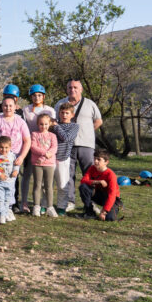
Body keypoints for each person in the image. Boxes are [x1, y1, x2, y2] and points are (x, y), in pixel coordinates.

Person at [53, 79, 103, 212]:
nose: (72, 90)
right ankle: (70, 201)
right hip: (66, 145)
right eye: (70, 87)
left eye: (75, 87)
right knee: (68, 174)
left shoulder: (90, 104)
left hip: (86, 144)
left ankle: (91, 201)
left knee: (89, 173)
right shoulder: (60, 104)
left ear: (81, 89)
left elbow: (98, 121)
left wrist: (88, 132)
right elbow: (55, 122)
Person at [0, 96, 31, 215]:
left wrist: (21, 156)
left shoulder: (20, 121)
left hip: (14, 157)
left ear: (15, 107)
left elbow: (27, 140)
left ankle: (8, 206)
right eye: (5, 105)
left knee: (11, 183)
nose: (8, 108)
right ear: (2, 107)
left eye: (10, 105)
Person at [20, 84, 56, 213]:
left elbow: (53, 127)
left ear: (44, 96)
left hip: (45, 145)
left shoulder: (50, 110)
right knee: (27, 174)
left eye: (39, 95)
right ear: (31, 97)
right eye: (34, 95)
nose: (37, 97)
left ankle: (44, 204)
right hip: (31, 144)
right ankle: (24, 202)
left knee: (45, 178)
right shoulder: (26, 110)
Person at [51, 103, 80, 215]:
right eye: (62, 113)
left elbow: (66, 138)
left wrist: (56, 126)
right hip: (50, 158)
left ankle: (61, 206)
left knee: (62, 184)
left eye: (67, 113)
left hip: (63, 159)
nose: (64, 115)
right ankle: (45, 205)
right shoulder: (53, 126)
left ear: (72, 115)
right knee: (46, 184)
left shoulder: (74, 126)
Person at [78, 149, 121, 221]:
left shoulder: (111, 175)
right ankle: (89, 212)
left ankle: (113, 208)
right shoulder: (92, 168)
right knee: (83, 187)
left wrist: (104, 211)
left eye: (98, 159)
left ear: (106, 162)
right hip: (99, 194)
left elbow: (112, 194)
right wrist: (98, 182)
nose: (95, 161)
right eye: (94, 159)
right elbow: (83, 181)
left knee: (110, 218)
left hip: (110, 197)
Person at [29, 113, 58, 217]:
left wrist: (44, 157)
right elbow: (33, 147)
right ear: (37, 124)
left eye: (46, 124)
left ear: (49, 124)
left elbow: (54, 148)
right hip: (37, 164)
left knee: (49, 186)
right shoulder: (34, 134)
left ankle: (50, 207)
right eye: (41, 124)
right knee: (37, 185)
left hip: (49, 164)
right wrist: (44, 154)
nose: (43, 126)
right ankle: (36, 206)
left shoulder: (53, 136)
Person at [0, 136, 18, 224]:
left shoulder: (12, 155)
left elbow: (16, 165)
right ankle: (1, 215)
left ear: (10, 147)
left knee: (7, 199)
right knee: (0, 199)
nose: (4, 150)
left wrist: (15, 171)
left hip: (10, 182)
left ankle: (5, 214)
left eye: (6, 147)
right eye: (1, 147)